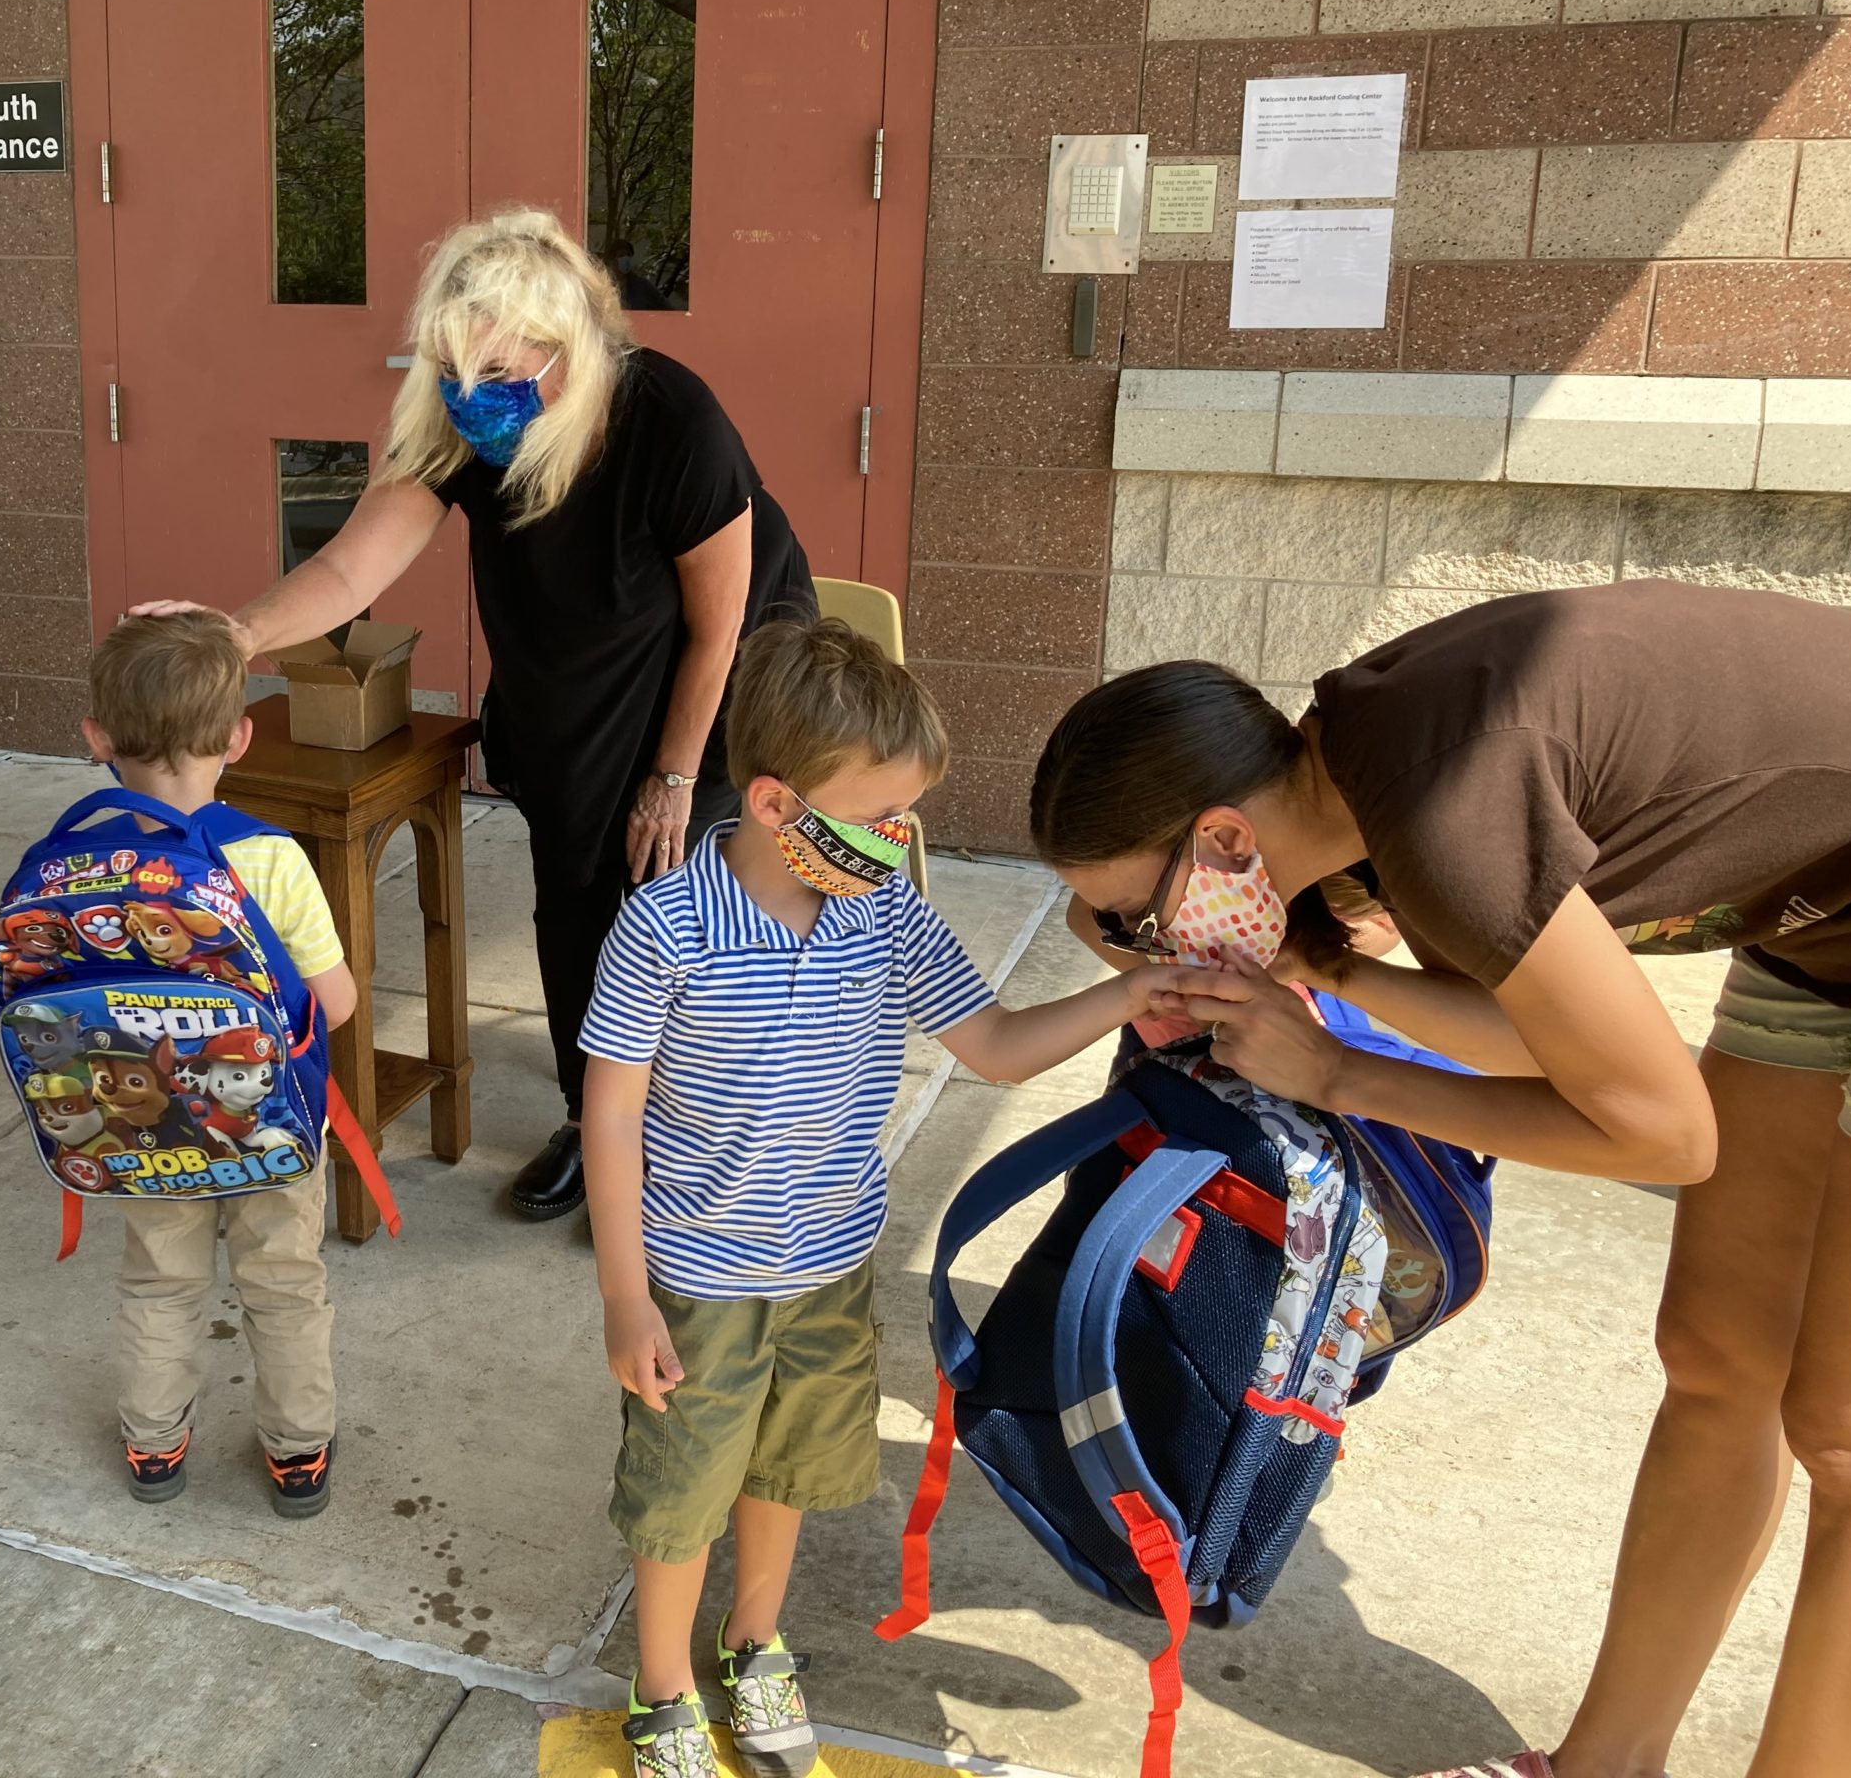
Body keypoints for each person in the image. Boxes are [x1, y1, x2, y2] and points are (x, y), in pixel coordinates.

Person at [1025, 580, 1851, 1778]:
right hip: (1819, 928)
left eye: (1146, 920)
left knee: (1845, 1428)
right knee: (1720, 1358)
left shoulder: (1442, 816)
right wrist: (1310, 959)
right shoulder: (1339, 774)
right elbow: (1549, 1034)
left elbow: (1664, 1133)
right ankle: (1606, 1767)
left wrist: (1339, 1073)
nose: (1152, 949)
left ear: (1221, 842)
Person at [578, 619, 1228, 1778]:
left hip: (829, 1264)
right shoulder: (663, 930)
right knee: (682, 1495)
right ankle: (666, 1687)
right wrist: (626, 1299)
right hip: (699, 1276)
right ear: (776, 805)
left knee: (786, 1471)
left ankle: (755, 1641)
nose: (894, 842)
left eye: (905, 819)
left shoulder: (885, 916)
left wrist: (1136, 990)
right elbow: (611, 1113)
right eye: (875, 820)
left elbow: (993, 1044)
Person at [136, 207, 815, 1224]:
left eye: (500, 375)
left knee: (685, 904)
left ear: (571, 352)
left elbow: (718, 629)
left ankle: (687, 1150)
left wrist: (674, 781)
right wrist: (236, 634)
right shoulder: (461, 425)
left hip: (720, 683)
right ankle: (596, 1127)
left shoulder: (675, 419)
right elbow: (353, 563)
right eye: (453, 373)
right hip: (572, 668)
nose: (475, 399)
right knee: (576, 895)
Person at [66, 610, 359, 1515]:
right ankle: (297, 1449)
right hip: (271, 1123)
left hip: (144, 1121)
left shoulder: (82, 863)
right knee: (283, 1280)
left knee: (159, 1280)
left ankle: (154, 1446)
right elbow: (337, 1003)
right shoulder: (270, 858)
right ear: (239, 736)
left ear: (98, 740)